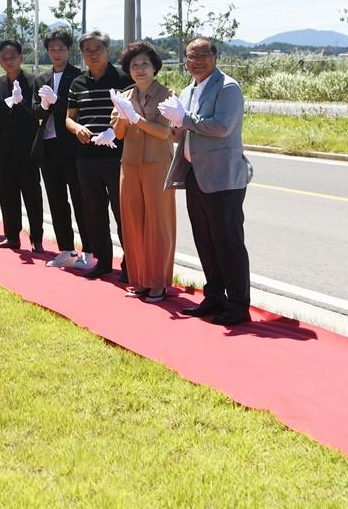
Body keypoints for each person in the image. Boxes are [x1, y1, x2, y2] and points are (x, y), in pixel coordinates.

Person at [164, 37, 254, 326]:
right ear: (185, 60)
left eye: (204, 55)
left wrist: (185, 118)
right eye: (192, 56)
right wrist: (175, 126)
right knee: (205, 240)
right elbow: (185, 126)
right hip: (195, 174)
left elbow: (221, 127)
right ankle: (215, 296)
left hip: (223, 178)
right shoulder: (190, 89)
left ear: (215, 57)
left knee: (228, 242)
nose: (197, 61)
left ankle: (238, 305)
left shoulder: (227, 88)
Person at [109, 42, 176, 303]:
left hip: (157, 163)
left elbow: (164, 132)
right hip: (130, 163)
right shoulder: (124, 96)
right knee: (133, 222)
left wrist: (138, 119)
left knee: (158, 223)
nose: (139, 69)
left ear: (154, 67)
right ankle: (140, 280)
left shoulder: (167, 94)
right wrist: (123, 118)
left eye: (144, 64)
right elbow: (118, 134)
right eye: (134, 65)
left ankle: (158, 282)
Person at [65, 30, 131, 279]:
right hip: (86, 157)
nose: (92, 54)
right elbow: (69, 119)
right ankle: (103, 261)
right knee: (94, 212)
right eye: (87, 51)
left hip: (118, 157)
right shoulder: (78, 83)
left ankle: (130, 264)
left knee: (123, 212)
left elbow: (132, 116)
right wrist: (76, 128)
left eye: (97, 49)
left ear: (108, 50)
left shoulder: (124, 79)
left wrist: (115, 132)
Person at [32, 29, 89, 267]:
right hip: (49, 146)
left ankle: (90, 250)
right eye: (52, 49)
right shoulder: (40, 79)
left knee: (80, 199)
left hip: (72, 146)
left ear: (69, 51)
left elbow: (79, 111)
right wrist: (44, 106)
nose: (56, 53)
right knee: (56, 199)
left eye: (61, 49)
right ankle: (66, 249)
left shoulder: (79, 77)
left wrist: (57, 104)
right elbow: (34, 111)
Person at [0, 40, 44, 251]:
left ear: (21, 57)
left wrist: (22, 103)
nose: (8, 62)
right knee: (7, 195)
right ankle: (11, 236)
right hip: (4, 148)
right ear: (0, 61)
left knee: (32, 195)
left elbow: (38, 113)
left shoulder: (34, 81)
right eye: (4, 58)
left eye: (12, 57)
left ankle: (37, 239)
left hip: (28, 148)